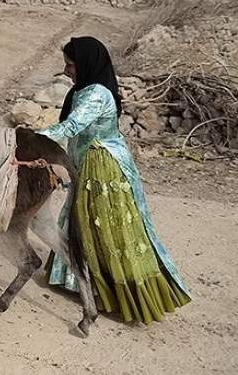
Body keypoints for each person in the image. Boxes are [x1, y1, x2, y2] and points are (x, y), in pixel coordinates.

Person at [38, 37, 191, 325]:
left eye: (70, 64)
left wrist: (31, 138)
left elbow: (72, 125)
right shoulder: (84, 89)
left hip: (103, 166)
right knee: (83, 222)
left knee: (107, 228)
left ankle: (123, 295)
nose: (66, 70)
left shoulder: (96, 94)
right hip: (88, 161)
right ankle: (81, 281)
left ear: (85, 64)